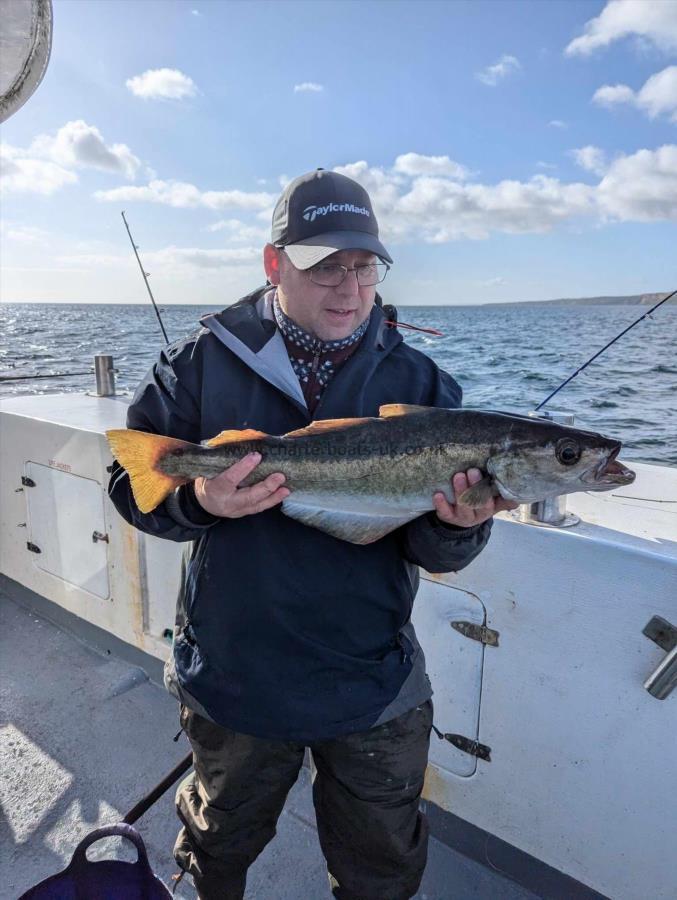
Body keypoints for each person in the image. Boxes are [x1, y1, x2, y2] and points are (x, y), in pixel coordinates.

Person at [108, 169, 515, 900]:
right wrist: (200, 501)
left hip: (370, 678)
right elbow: (132, 490)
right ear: (274, 264)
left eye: (363, 266)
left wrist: (458, 529)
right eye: (324, 265)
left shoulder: (421, 387)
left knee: (381, 864)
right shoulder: (198, 365)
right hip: (235, 670)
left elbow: (431, 547)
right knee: (218, 841)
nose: (349, 289)